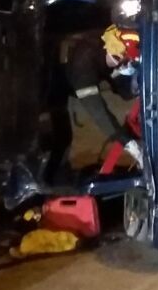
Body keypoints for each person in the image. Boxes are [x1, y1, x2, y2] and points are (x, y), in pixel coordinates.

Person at [44, 24, 141, 182]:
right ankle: (50, 180)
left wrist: (134, 86)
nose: (125, 67)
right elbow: (97, 111)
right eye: (125, 62)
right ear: (116, 56)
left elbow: (121, 88)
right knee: (62, 137)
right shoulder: (84, 65)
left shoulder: (108, 48)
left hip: (66, 71)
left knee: (62, 138)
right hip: (50, 87)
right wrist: (126, 142)